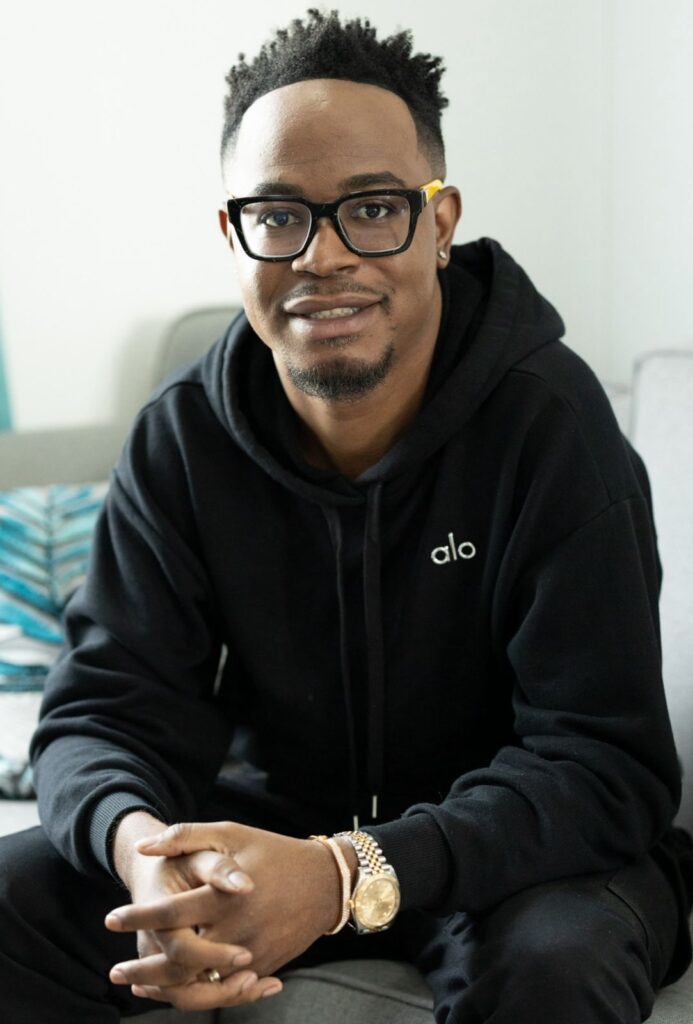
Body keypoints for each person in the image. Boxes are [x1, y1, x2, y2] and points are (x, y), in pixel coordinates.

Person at [1, 9, 692, 1023]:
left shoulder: (550, 426)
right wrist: (142, 852)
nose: (322, 257)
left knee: (559, 964)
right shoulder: (182, 438)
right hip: (271, 840)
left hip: (509, 858)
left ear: (440, 223)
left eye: (372, 208)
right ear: (233, 236)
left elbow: (604, 764)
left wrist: (345, 873)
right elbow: (102, 711)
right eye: (278, 215)